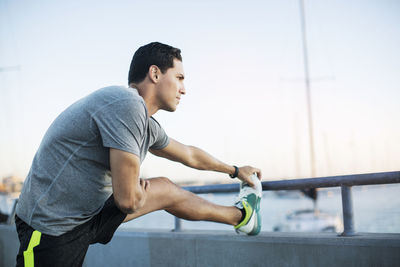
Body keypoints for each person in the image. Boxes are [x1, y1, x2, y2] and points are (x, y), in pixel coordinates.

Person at [15, 42, 263, 267]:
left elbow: (190, 155)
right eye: (179, 78)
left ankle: (243, 217)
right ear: (155, 73)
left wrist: (235, 171)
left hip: (85, 216)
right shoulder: (126, 104)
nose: (184, 89)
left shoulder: (144, 122)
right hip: (49, 228)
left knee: (165, 188)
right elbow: (128, 201)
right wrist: (133, 193)